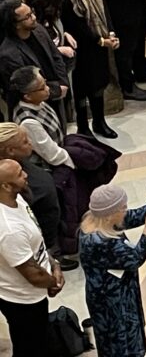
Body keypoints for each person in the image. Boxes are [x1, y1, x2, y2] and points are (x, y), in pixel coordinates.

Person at [79, 183, 146, 357]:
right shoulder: (101, 241)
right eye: (123, 207)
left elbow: (128, 217)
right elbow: (135, 258)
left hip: (115, 293)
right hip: (113, 301)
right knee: (120, 343)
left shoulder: (95, 218)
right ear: (111, 213)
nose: (126, 210)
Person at [50, 0, 120, 138]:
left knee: (99, 83)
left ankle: (100, 121)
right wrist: (99, 40)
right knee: (82, 87)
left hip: (100, 40)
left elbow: (102, 5)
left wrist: (111, 32)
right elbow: (73, 23)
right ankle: (83, 126)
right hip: (80, 45)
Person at [0, 158, 64, 357]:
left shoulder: (15, 197)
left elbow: (36, 241)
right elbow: (33, 274)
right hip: (22, 300)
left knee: (38, 340)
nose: (26, 175)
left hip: (34, 290)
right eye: (20, 174)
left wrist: (54, 264)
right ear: (5, 185)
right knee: (30, 347)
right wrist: (53, 281)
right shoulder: (8, 229)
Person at [0, 125, 69, 272]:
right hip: (36, 239)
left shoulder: (20, 164)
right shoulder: (9, 184)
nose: (31, 143)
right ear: (10, 151)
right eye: (25, 142)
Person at [0, 0, 69, 122]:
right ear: (16, 25)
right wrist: (56, 90)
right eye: (27, 17)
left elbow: (56, 57)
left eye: (31, 12)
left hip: (56, 93)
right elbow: (25, 88)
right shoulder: (8, 54)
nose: (34, 17)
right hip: (35, 108)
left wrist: (63, 83)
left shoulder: (38, 29)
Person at [10, 67, 72, 169]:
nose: (48, 89)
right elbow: (52, 155)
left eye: (46, 83)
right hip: (49, 167)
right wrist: (73, 162)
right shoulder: (28, 122)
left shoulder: (38, 102)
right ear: (28, 96)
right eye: (42, 87)